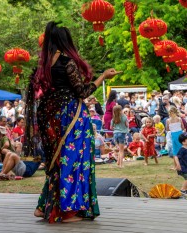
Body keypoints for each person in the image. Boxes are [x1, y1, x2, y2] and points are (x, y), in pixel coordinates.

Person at [31, 22, 121, 223]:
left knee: (58, 162)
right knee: (73, 161)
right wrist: (103, 76)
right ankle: (67, 211)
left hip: (51, 117)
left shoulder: (44, 64)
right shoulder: (66, 62)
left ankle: (43, 206)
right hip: (72, 116)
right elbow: (83, 92)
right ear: (65, 41)